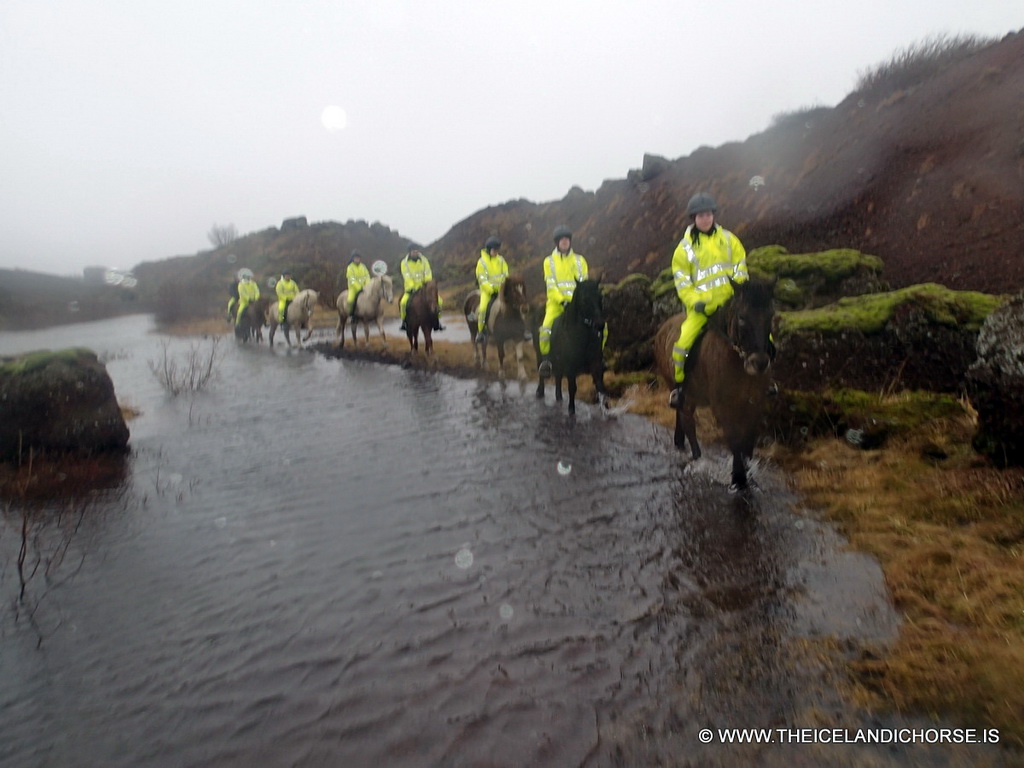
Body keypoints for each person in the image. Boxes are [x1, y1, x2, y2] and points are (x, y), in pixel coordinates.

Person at [667, 192, 749, 409]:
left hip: (730, 305)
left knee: (762, 335)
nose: (705, 219)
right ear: (693, 218)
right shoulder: (683, 250)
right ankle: (680, 388)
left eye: (708, 214)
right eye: (700, 215)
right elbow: (683, 283)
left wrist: (739, 291)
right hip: (702, 309)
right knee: (682, 345)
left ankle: (766, 380)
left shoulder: (730, 240)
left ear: (713, 215)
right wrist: (696, 302)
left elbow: (740, 266)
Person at [537, 225, 596, 377]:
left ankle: (597, 358)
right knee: (545, 330)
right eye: (561, 240)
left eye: (567, 239)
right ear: (557, 242)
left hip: (577, 305)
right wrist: (562, 301)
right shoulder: (548, 262)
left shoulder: (580, 260)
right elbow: (550, 286)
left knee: (599, 327)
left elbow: (583, 285)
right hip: (556, 304)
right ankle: (547, 361)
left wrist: (578, 302)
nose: (564, 242)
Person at [399, 243, 443, 332]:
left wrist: (428, 284)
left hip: (424, 288)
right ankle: (404, 322)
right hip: (411, 289)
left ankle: (437, 322)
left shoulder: (424, 260)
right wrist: (412, 287)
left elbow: (428, 272)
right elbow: (406, 276)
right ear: (410, 252)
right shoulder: (404, 263)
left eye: (417, 251)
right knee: (403, 303)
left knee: (440, 301)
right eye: (413, 251)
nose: (415, 253)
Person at [475, 236, 508, 337]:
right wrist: (491, 290)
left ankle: (520, 329)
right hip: (487, 292)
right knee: (483, 308)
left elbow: (506, 274)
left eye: (497, 250)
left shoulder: (501, 260)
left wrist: (503, 288)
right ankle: (481, 331)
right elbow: (482, 280)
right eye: (494, 250)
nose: (496, 252)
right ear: (489, 250)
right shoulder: (481, 263)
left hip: (501, 290)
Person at [345, 250, 371, 319]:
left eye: (358, 258)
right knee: (350, 300)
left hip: (364, 288)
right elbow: (352, 279)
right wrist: (359, 288)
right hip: (353, 288)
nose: (357, 259)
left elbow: (367, 276)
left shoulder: (363, 266)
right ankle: (351, 315)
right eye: (356, 258)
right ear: (353, 258)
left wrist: (367, 286)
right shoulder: (350, 267)